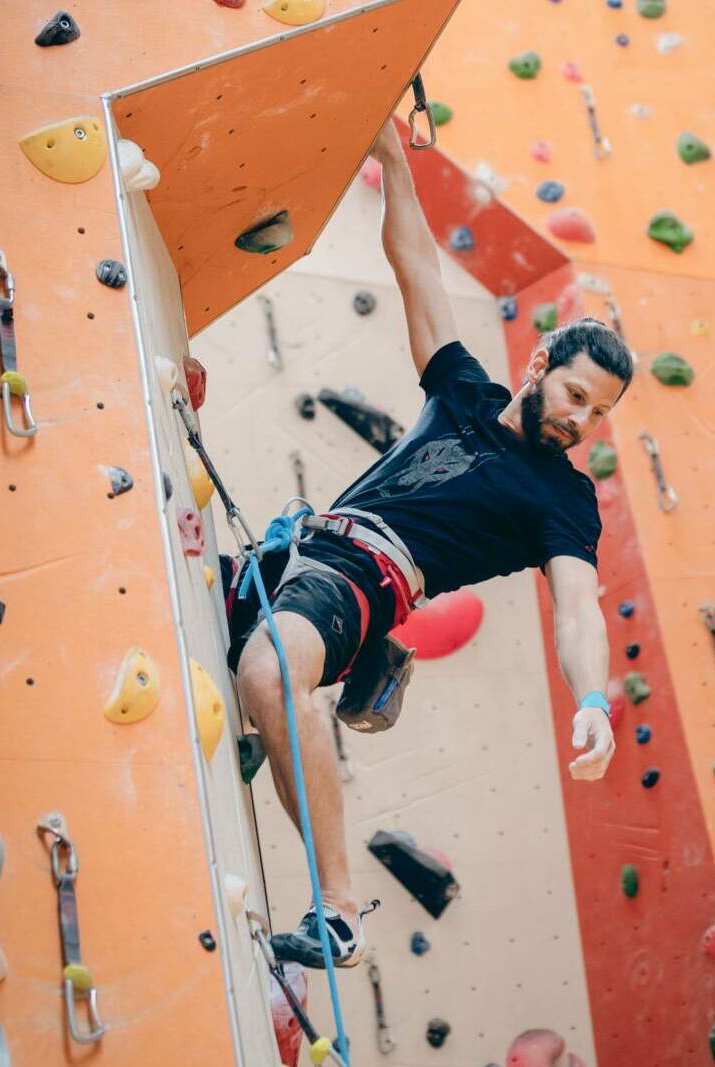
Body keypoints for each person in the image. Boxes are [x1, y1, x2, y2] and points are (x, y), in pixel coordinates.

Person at [227, 120, 634, 969]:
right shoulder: (461, 390)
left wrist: (592, 699)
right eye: (573, 393)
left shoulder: (561, 499)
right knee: (216, 637)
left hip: (367, 582)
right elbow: (415, 269)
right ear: (540, 365)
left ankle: (337, 912)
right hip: (299, 547)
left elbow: (575, 609)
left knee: (271, 672)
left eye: (596, 413)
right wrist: (387, 158)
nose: (577, 419)